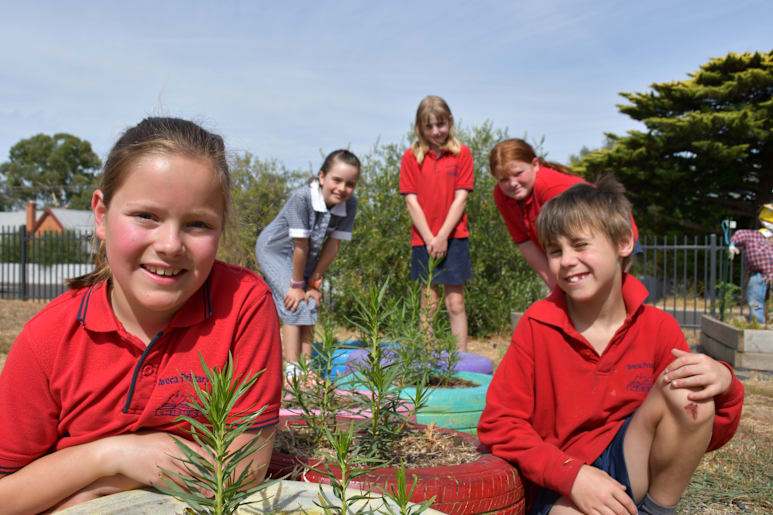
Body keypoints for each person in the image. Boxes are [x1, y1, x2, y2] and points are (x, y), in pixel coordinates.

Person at [0, 117, 283, 512]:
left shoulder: (244, 304)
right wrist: (113, 455)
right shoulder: (47, 338)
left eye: (198, 224)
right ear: (100, 215)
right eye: (146, 216)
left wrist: (107, 484)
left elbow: (245, 468)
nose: (170, 245)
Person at [478, 176, 744, 515]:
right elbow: (499, 424)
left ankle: (657, 511)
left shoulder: (658, 328)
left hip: (633, 464)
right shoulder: (537, 324)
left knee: (688, 392)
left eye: (579, 245)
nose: (567, 261)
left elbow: (701, 433)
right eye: (555, 251)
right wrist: (572, 476)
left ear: (623, 242)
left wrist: (725, 384)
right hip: (559, 478)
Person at [256, 149, 359, 374]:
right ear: (322, 177)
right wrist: (296, 286)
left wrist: (314, 283)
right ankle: (292, 370)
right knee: (292, 302)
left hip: (303, 255)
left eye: (350, 184)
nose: (342, 188)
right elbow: (300, 245)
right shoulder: (303, 197)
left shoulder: (350, 205)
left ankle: (306, 367)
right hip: (275, 249)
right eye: (337, 180)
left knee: (310, 302)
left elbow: (333, 245)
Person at [489, 139, 639, 289]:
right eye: (504, 179)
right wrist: (556, 287)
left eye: (518, 173)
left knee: (610, 296)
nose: (513, 183)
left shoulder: (550, 187)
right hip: (574, 250)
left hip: (611, 239)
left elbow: (584, 238)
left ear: (535, 164)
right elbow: (525, 243)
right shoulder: (503, 195)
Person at [399, 95, 474, 351]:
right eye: (429, 126)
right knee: (428, 302)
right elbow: (411, 201)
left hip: (455, 237)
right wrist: (431, 238)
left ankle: (461, 360)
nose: (435, 132)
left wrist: (442, 235)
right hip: (423, 239)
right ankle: (426, 357)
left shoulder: (462, 154)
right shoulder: (411, 157)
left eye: (440, 125)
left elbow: (461, 198)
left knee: (455, 302)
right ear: (419, 127)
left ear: (450, 122)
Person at [728, 203, 773, 324]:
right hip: (758, 274)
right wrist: (732, 245)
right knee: (754, 299)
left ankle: (770, 321)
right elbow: (740, 234)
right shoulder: (753, 235)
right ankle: (758, 322)